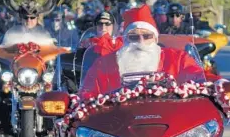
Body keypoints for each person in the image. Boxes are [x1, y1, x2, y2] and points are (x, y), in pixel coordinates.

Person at [79, 5, 212, 99]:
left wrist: (222, 86)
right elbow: (86, 94)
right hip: (117, 128)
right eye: (134, 37)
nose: (140, 42)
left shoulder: (178, 59)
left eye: (147, 36)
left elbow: (200, 79)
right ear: (125, 39)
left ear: (155, 38)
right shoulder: (104, 64)